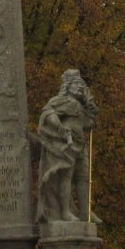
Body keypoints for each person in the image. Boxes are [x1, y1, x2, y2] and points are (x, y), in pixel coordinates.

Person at [36, 69, 97, 223]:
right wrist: (60, 127)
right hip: (67, 143)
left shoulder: (79, 105)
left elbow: (88, 124)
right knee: (66, 176)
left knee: (83, 177)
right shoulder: (61, 100)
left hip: (80, 144)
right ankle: (64, 212)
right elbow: (48, 113)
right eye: (76, 84)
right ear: (68, 86)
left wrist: (89, 104)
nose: (79, 87)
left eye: (81, 84)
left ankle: (85, 211)